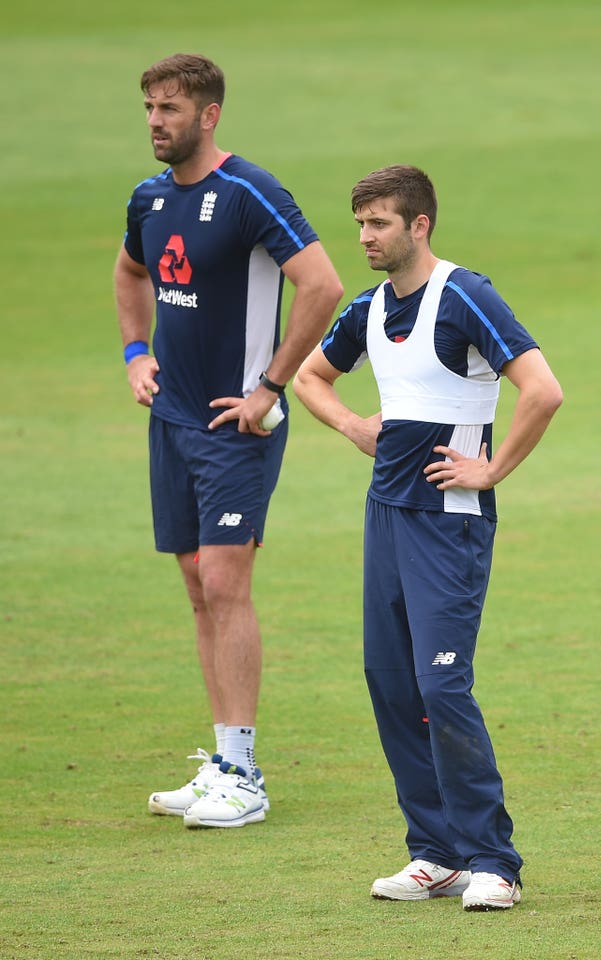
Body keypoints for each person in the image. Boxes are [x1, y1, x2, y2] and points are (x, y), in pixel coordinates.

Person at [293, 165, 562, 909]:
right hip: (386, 516)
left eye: (379, 223)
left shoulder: (465, 295)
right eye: (360, 224)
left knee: (442, 684)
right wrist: (353, 426)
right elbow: (311, 379)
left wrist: (492, 468)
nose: (365, 238)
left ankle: (494, 863)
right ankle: (436, 852)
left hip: (449, 523)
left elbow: (543, 389)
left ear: (420, 225)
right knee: (392, 683)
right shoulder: (369, 308)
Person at [114, 53, 343, 829]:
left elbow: (322, 283)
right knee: (194, 584)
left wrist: (271, 386)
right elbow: (130, 272)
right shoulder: (148, 197)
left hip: (234, 426)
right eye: (149, 106)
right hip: (171, 420)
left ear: (208, 115)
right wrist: (134, 352)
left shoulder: (250, 192)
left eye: (169, 108)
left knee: (224, 584)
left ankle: (244, 777)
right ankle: (221, 761)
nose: (155, 120)